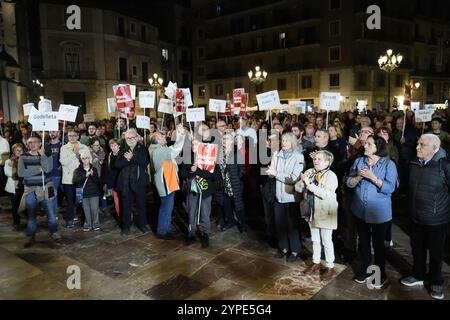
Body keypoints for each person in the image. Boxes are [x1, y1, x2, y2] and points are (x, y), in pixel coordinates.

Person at [400, 134, 450, 300]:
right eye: (417, 143)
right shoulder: (414, 162)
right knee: (417, 249)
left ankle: (436, 281)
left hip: (436, 219)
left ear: (434, 149)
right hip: (416, 216)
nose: (417, 147)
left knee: (436, 253)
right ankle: (418, 275)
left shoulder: (444, 165)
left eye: (422, 145)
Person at [346, 135, 398, 288]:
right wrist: (358, 178)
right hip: (359, 210)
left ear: (378, 148)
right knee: (363, 243)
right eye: (365, 143)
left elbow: (390, 188)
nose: (365, 146)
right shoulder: (359, 161)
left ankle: (380, 273)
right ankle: (367, 268)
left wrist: (372, 177)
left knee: (378, 245)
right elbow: (348, 182)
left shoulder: (389, 164)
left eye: (369, 144)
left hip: (379, 213)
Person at [298, 150, 338, 281]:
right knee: (315, 239)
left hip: (327, 211)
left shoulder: (331, 175)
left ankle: (330, 266)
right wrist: (301, 181)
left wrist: (308, 184)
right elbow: (298, 188)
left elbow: (326, 194)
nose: (316, 161)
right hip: (312, 210)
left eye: (319, 159)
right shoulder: (310, 172)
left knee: (326, 240)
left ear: (327, 162)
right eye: (315, 159)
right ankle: (316, 262)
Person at [267, 132, 304, 262]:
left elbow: (293, 178)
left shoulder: (298, 157)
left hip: (291, 197)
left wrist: (276, 173)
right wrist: (271, 173)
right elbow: (272, 172)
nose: (284, 143)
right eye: (283, 140)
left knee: (292, 225)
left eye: (287, 141)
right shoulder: (277, 155)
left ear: (293, 142)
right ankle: (283, 247)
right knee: (280, 224)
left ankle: (295, 250)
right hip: (279, 196)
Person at [18, 136, 61, 247]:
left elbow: (47, 169)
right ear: (27, 145)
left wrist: (42, 156)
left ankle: (54, 232)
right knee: (31, 215)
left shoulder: (47, 155)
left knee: (51, 213)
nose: (32, 144)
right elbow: (21, 173)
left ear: (40, 144)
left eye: (35, 142)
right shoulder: (23, 157)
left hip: (46, 188)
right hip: (30, 189)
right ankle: (31, 236)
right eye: (30, 142)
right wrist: (37, 169)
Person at [149, 124, 186, 239]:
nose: (164, 136)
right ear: (157, 141)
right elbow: (175, 149)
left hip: (168, 181)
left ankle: (166, 228)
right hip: (166, 182)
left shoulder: (158, 149)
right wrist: (182, 135)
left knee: (167, 207)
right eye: (161, 136)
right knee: (166, 207)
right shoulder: (158, 151)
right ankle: (162, 231)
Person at [115, 129, 151, 236]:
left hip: (139, 182)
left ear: (136, 138)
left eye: (132, 137)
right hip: (126, 183)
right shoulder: (122, 150)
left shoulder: (142, 148)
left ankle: (142, 224)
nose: (130, 140)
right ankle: (126, 226)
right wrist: (126, 160)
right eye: (127, 138)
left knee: (141, 205)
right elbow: (117, 164)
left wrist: (132, 157)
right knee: (126, 206)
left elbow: (145, 162)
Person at [180, 139, 216, 247]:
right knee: (192, 212)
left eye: (196, 144)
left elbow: (211, 174)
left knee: (205, 213)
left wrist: (197, 170)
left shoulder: (208, 156)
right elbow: (182, 173)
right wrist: (191, 170)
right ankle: (191, 233)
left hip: (205, 190)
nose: (193, 146)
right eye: (192, 144)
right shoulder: (187, 156)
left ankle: (205, 234)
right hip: (192, 189)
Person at [214, 133, 246, 232]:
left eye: (227, 139)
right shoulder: (219, 153)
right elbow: (217, 168)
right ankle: (230, 221)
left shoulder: (236, 152)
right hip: (223, 183)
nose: (224, 140)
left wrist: (236, 178)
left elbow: (242, 169)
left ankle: (242, 223)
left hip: (234, 183)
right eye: (223, 138)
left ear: (232, 141)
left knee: (238, 204)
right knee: (226, 204)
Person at [60, 129, 90, 228]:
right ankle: (69, 219)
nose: (72, 138)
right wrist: (73, 154)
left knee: (80, 199)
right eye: (70, 136)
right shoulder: (64, 148)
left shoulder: (84, 147)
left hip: (80, 178)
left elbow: (88, 161)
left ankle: (84, 218)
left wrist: (78, 154)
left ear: (78, 137)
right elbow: (63, 162)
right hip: (68, 179)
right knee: (70, 200)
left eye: (74, 135)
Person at [74, 149, 101, 232]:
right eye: (83, 158)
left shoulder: (94, 169)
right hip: (84, 193)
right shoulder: (78, 170)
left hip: (93, 193)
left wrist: (93, 175)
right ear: (80, 160)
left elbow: (97, 181)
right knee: (86, 211)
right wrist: (85, 175)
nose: (85, 160)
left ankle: (96, 224)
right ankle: (88, 224)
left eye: (86, 158)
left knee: (94, 210)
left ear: (89, 159)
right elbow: (76, 181)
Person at [4, 143, 24, 230]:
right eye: (17, 150)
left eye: (21, 150)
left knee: (23, 204)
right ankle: (16, 222)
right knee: (15, 205)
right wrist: (14, 169)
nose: (19, 152)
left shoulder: (25, 160)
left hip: (23, 186)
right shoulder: (8, 161)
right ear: (14, 151)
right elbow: (7, 173)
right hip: (13, 187)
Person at [45, 130, 62, 217]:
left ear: (58, 133)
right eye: (50, 132)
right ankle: (53, 214)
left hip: (58, 174)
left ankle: (53, 214)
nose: (52, 133)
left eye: (54, 132)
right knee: (52, 195)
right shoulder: (46, 145)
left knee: (54, 194)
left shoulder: (62, 145)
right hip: (48, 174)